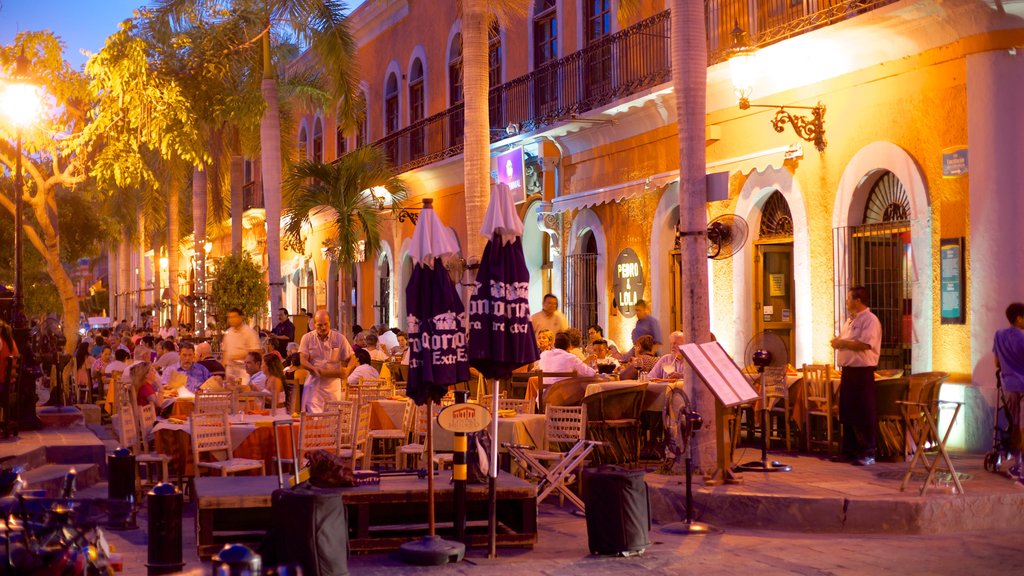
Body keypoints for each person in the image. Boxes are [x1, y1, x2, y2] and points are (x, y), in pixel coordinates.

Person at [831, 286, 882, 467]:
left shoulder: (870, 320)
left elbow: (866, 344)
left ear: (858, 300)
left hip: (862, 371)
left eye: (849, 298)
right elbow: (846, 341)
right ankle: (850, 450)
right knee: (848, 411)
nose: (846, 302)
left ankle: (868, 452)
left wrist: (841, 343)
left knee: (864, 412)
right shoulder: (850, 320)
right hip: (848, 370)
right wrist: (839, 342)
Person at [299, 310, 357, 412]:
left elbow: (352, 358)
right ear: (314, 324)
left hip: (333, 387)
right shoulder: (307, 338)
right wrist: (313, 368)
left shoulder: (339, 339)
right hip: (314, 385)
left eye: (326, 324)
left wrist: (348, 370)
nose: (323, 328)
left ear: (330, 322)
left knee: (332, 420)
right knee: (314, 421)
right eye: (319, 325)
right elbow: (302, 359)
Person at [993, 302, 1024, 480]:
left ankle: (1017, 463)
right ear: (1019, 318)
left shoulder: (998, 336)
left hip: (1009, 386)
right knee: (1023, 428)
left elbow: (997, 363)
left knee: (1015, 426)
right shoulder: (1022, 338)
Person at [222, 308, 260, 384]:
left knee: (243, 392)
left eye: (234, 317)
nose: (231, 320)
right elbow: (225, 352)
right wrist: (223, 369)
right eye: (229, 317)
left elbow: (256, 352)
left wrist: (239, 356)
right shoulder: (228, 333)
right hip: (230, 370)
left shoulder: (249, 332)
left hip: (244, 370)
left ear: (241, 317)